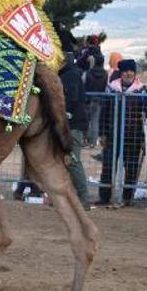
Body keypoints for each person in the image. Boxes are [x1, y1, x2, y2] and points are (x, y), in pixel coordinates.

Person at [98, 59, 147, 206]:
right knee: (108, 166)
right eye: (126, 71)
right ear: (121, 73)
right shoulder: (111, 88)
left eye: (131, 71)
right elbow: (104, 111)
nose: (129, 73)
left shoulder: (142, 90)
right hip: (112, 134)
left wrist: (144, 137)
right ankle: (104, 197)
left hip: (133, 135)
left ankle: (127, 198)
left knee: (132, 168)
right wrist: (101, 133)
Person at [58, 36, 90, 208]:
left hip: (73, 124)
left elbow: (70, 98)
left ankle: (84, 199)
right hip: (70, 123)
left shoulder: (70, 75)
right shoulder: (69, 73)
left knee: (73, 160)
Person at [84, 54, 108, 147]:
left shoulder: (88, 73)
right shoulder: (106, 74)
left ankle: (86, 139)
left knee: (86, 120)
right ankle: (93, 142)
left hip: (88, 99)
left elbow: (83, 82)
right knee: (95, 121)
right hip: (99, 100)